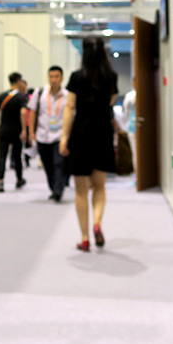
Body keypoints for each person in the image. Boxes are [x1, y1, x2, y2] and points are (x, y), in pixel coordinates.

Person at [60, 37, 118, 251]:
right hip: (103, 133)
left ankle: (85, 238)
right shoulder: (111, 76)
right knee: (99, 186)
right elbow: (111, 102)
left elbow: (69, 107)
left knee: (81, 190)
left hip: (81, 134)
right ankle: (97, 224)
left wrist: (64, 137)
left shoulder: (77, 77)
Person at [25, 66, 69, 202]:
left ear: (61, 78)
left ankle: (58, 190)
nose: (53, 79)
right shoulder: (40, 93)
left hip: (59, 135)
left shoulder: (67, 95)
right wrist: (31, 132)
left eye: (56, 76)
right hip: (42, 135)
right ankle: (54, 188)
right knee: (48, 164)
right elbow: (32, 112)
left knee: (59, 163)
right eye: (51, 76)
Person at [0, 72, 28, 193]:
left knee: (2, 156)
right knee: (17, 156)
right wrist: (24, 129)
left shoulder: (2, 96)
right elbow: (23, 112)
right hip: (16, 131)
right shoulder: (21, 97)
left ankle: (1, 181)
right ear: (18, 81)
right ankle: (19, 179)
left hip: (4, 130)